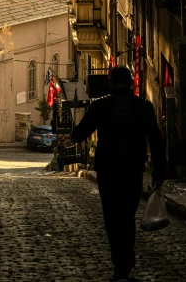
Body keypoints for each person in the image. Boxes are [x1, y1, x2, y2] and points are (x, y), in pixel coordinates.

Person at [71, 65, 166, 282]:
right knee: (127, 217)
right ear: (131, 83)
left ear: (111, 82)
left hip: (108, 172)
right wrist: (159, 170)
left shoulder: (101, 106)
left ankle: (120, 264)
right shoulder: (144, 106)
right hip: (133, 171)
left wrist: (72, 132)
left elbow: (80, 133)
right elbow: (156, 140)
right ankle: (126, 262)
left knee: (112, 218)